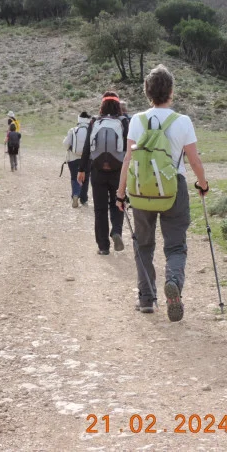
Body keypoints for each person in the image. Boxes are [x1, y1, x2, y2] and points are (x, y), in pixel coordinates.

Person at [115, 65, 209, 321]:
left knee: (143, 244)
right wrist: (202, 184)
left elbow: (128, 159)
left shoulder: (137, 120)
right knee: (176, 245)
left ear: (147, 92)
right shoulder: (183, 121)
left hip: (141, 190)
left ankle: (146, 299)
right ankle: (173, 282)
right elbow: (194, 160)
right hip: (173, 188)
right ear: (171, 91)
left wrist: (121, 193)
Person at [78, 92, 129, 255]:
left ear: (102, 105)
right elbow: (128, 149)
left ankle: (103, 246)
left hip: (97, 170)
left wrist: (81, 169)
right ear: (117, 105)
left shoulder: (94, 121)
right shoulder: (123, 121)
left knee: (100, 209)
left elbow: (87, 147)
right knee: (118, 202)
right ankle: (116, 231)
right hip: (118, 171)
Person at [62, 111, 92, 208]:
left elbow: (65, 144)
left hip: (73, 158)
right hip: (87, 159)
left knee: (75, 178)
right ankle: (84, 199)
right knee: (85, 179)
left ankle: (75, 194)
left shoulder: (73, 130)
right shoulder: (91, 131)